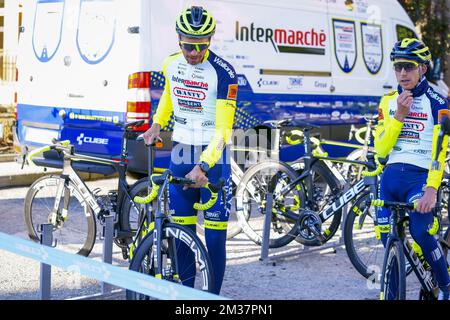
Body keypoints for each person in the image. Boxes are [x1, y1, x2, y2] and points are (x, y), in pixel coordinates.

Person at [142, 6, 237, 295]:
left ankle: (211, 298)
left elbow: (224, 131)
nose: (193, 52)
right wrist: (158, 123)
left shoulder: (223, 73)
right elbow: (169, 95)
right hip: (181, 154)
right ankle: (187, 297)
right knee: (181, 237)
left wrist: (205, 166)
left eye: (200, 46)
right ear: (178, 40)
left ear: (209, 41)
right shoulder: (171, 64)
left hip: (213, 160)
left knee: (214, 240)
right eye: (187, 45)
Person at [375, 38, 450, 299]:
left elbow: (440, 151)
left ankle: (447, 286)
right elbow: (381, 150)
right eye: (398, 67)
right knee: (387, 241)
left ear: (423, 69)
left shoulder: (439, 103)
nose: (403, 73)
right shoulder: (387, 101)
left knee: (421, 232)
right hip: (390, 178)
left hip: (419, 180)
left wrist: (431, 188)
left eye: (409, 66)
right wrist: (398, 117)